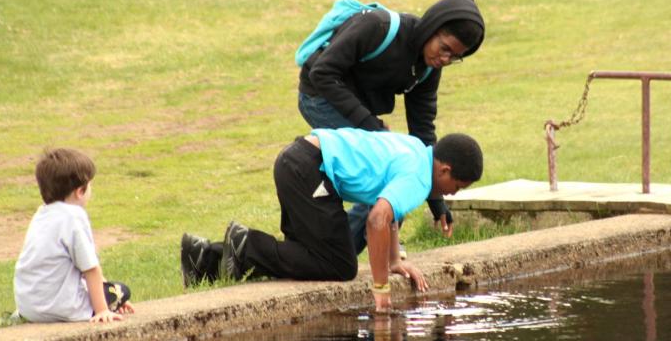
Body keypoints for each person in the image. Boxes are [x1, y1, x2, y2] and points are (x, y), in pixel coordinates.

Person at [181, 128, 483, 312]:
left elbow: (392, 217)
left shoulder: (418, 151)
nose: (452, 194)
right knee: (340, 265)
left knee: (307, 256)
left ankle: (204, 258)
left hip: (299, 160)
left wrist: (394, 261)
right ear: (444, 170)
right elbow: (377, 219)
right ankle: (246, 245)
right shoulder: (418, 177)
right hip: (309, 169)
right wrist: (381, 290)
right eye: (457, 187)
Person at [297, 0, 485, 250]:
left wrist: (436, 198)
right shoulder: (378, 27)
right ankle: (335, 255)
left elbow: (423, 135)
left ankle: (340, 253)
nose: (445, 59)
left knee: (399, 178)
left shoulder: (428, 70)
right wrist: (370, 126)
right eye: (444, 49)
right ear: (432, 28)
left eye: (454, 57)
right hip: (320, 96)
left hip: (357, 109)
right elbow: (322, 73)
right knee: (389, 181)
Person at [14, 148, 135, 323]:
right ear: (80, 191)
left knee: (111, 291)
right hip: (63, 308)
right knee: (122, 290)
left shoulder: (41, 215)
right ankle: (108, 303)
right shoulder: (74, 217)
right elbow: (91, 269)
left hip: (30, 309)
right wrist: (103, 310)